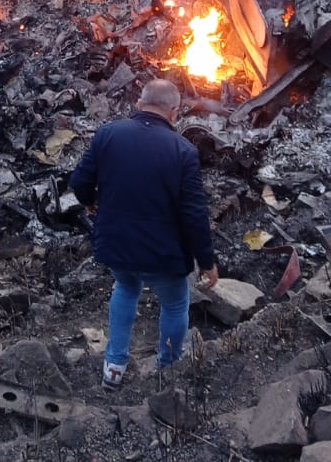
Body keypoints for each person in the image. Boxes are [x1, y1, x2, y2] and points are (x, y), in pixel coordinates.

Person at [69, 79, 219, 388]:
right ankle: (168, 368)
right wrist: (206, 260)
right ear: (174, 112)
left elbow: (80, 182)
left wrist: (90, 203)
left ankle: (113, 367)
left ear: (139, 104)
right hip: (162, 254)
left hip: (116, 246)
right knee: (175, 304)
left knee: (125, 289)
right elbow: (194, 214)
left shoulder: (108, 134)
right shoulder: (183, 151)